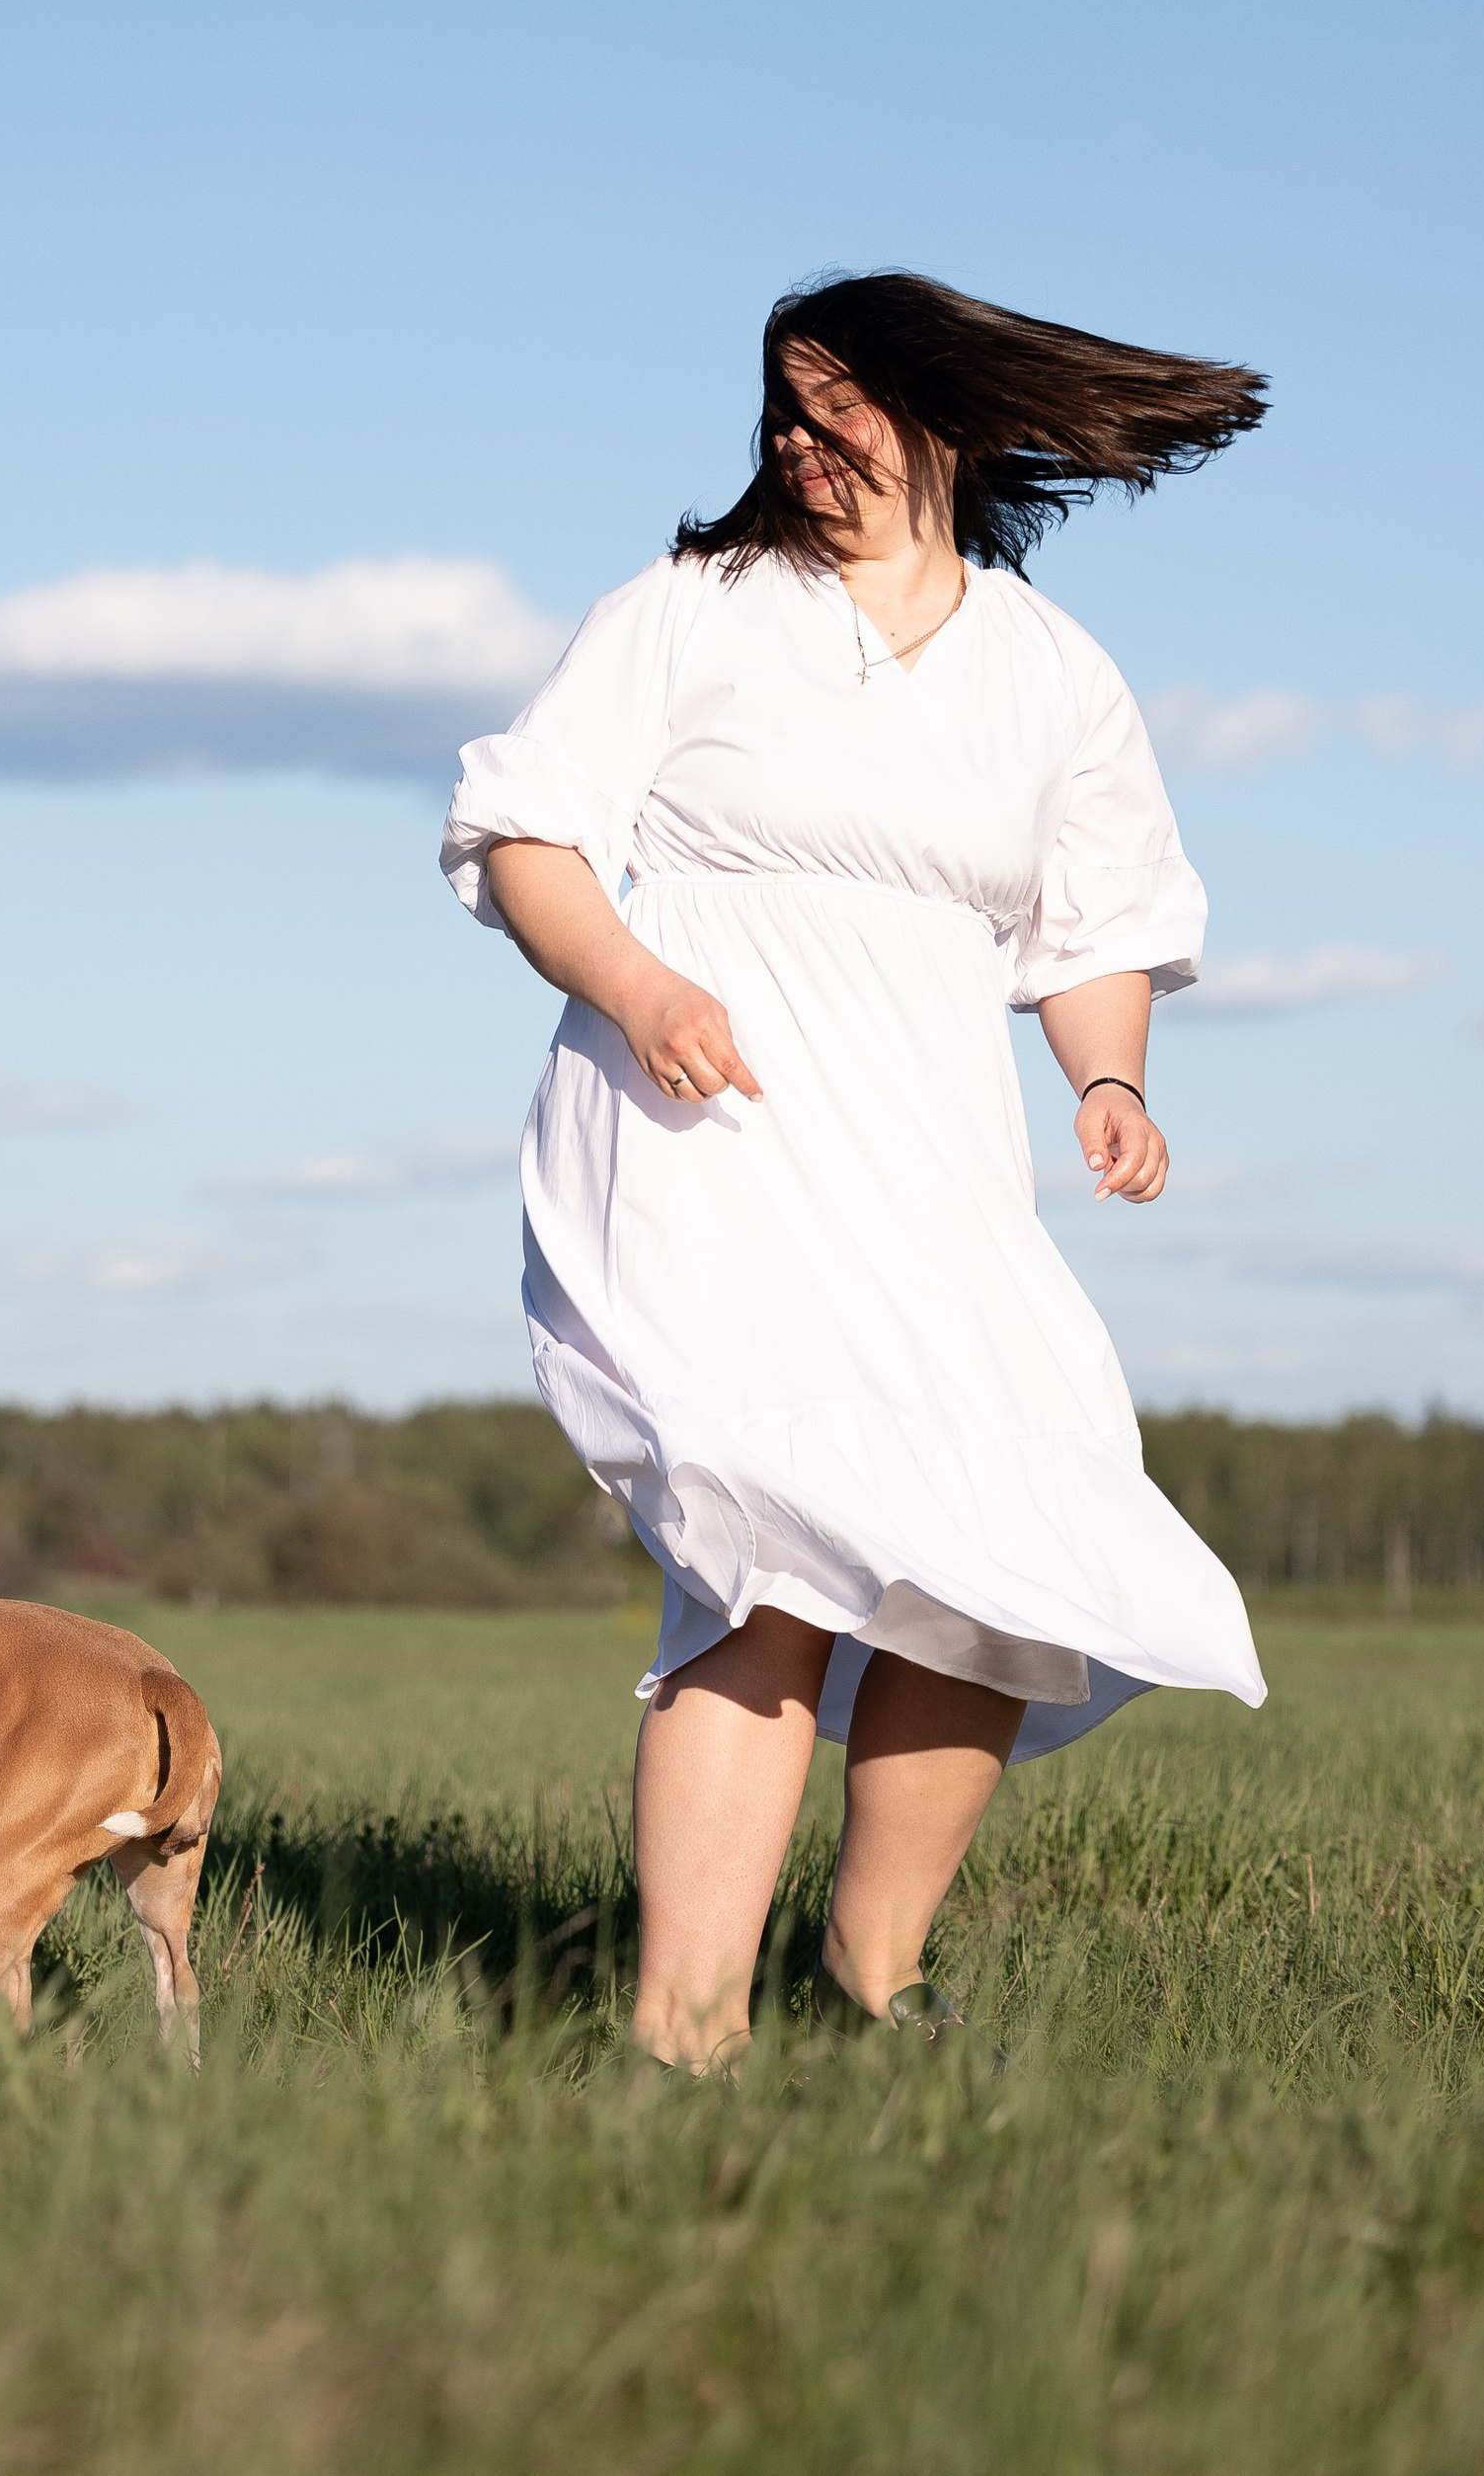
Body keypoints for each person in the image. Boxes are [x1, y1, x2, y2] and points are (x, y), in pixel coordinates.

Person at [439, 270, 1270, 2071]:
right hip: (701, 1122)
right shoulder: (691, 611)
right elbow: (526, 834)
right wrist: (639, 982)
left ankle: (873, 1976)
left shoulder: (1053, 673)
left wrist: (1109, 1076)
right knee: (771, 1548)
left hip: (925, 1149)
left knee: (1007, 1541)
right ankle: (686, 2030)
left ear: (943, 413)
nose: (802, 446)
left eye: (841, 412)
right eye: (783, 415)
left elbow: (1095, 927)